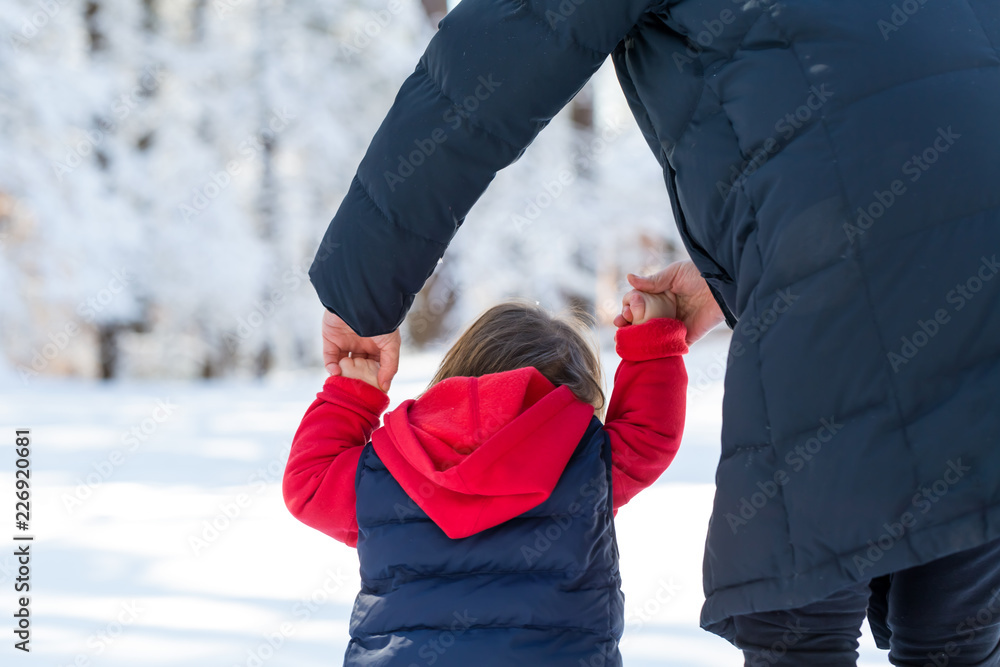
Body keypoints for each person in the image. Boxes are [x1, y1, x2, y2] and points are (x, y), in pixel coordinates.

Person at [308, 0, 1000, 663]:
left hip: (831, 253)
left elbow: (475, 82)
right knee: (961, 586)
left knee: (801, 606)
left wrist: (361, 301)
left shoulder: (383, 479)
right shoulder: (578, 467)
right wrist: (691, 309)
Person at [283, 294, 691, 665]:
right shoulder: (586, 464)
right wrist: (651, 342)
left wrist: (352, 394)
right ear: (577, 401)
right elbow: (650, 432)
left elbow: (308, 484)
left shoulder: (385, 469)